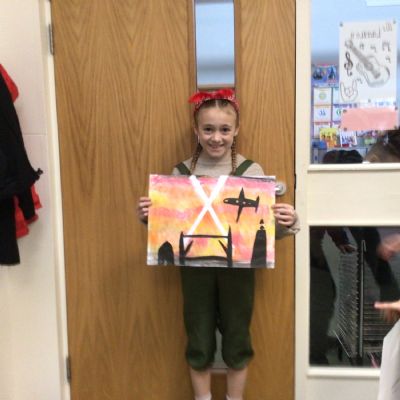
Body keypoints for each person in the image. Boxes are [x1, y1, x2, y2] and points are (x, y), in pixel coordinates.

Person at [137, 89, 299, 400]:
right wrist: (148, 216)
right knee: (198, 337)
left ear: (236, 130)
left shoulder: (251, 172)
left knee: (238, 337)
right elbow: (168, 227)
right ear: (196, 130)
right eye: (208, 129)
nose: (216, 137)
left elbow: (266, 230)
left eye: (225, 129)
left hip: (239, 273)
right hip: (194, 272)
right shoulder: (180, 174)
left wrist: (287, 221)